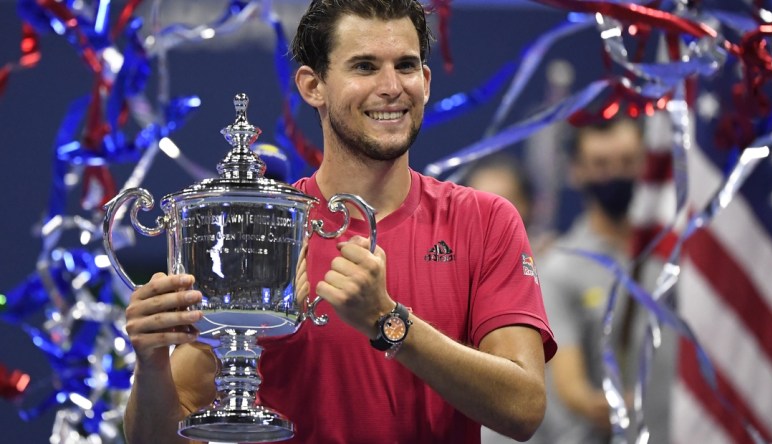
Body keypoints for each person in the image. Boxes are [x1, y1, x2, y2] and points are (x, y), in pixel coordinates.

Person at [122, 1, 556, 444]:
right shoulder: (264, 234)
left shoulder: (485, 221)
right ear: (314, 86)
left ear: (425, 82)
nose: (391, 87)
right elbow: (159, 438)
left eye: (405, 66)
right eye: (364, 67)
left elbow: (523, 409)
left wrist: (387, 321)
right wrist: (151, 362)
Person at [528, 117, 645, 444]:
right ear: (576, 171)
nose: (615, 174)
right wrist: (626, 408)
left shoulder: (673, 253)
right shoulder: (559, 267)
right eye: (600, 164)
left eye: (626, 162)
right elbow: (572, 387)